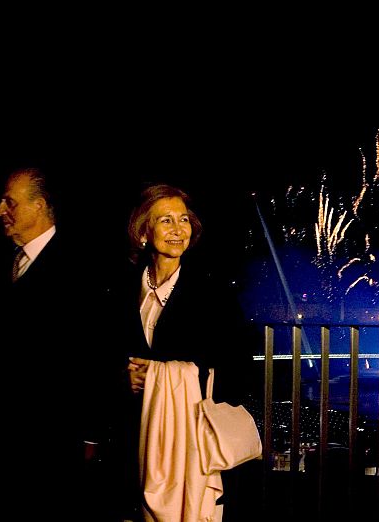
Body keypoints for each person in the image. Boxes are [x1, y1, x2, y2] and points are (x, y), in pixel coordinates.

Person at [103, 183, 258, 521]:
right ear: (144, 231)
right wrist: (122, 379)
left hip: (191, 445)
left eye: (184, 220)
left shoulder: (212, 293)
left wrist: (169, 380)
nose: (178, 230)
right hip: (132, 443)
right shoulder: (121, 290)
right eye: (166, 221)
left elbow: (240, 368)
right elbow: (99, 357)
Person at [0, 167, 106, 519]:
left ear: (40, 206)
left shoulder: (82, 267)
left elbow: (93, 356)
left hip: (52, 447)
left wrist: (90, 434)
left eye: (9, 203)